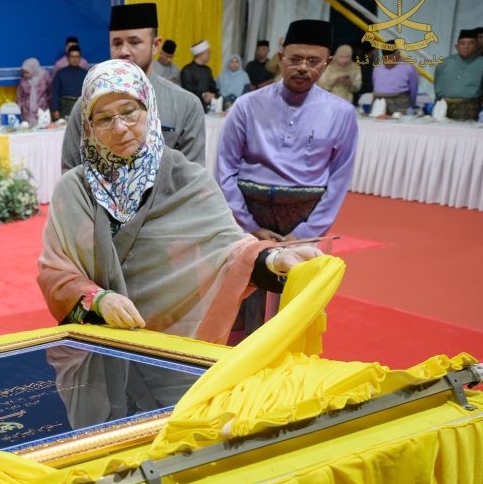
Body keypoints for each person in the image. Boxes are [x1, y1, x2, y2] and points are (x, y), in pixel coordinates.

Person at [38, 59, 322, 343]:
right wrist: (98, 300)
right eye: (103, 118)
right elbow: (55, 274)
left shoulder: (188, 180)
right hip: (99, 346)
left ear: (149, 109)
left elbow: (230, 250)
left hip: (172, 347)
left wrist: (275, 259)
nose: (120, 128)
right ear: (88, 126)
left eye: (129, 112)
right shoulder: (74, 190)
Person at [216, 19, 358, 333]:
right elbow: (225, 169)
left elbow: (338, 180)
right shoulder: (246, 106)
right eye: (294, 59)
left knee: (293, 309)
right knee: (240, 301)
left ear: (328, 64)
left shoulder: (341, 113)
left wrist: (305, 232)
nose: (302, 67)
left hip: (305, 223)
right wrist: (249, 226)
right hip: (249, 217)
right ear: (280, 57)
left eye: (313, 61)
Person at [62, 3, 205, 169]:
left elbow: (192, 180)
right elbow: (71, 172)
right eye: (116, 44)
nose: (124, 51)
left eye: (134, 42)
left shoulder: (185, 105)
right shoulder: (87, 104)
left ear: (156, 45)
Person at [434, 29, 483, 121]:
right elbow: (437, 83)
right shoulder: (444, 63)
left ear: (476, 45)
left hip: (470, 108)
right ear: (456, 46)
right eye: (463, 43)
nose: (466, 47)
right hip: (443, 107)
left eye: (470, 43)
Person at [371, 48, 418, 114]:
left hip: (399, 101)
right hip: (378, 100)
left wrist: (411, 104)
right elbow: (374, 84)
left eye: (390, 57)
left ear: (398, 54)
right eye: (385, 58)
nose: (388, 60)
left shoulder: (408, 67)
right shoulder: (378, 67)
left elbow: (413, 89)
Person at [51, 45, 88, 120]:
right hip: (65, 107)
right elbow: (55, 92)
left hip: (82, 106)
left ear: (80, 58)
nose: (75, 59)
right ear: (68, 58)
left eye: (77, 57)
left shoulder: (86, 74)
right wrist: (55, 110)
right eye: (72, 57)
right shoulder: (60, 74)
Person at [180, 40, 218, 109]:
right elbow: (188, 91)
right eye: (208, 53)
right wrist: (203, 95)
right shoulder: (187, 70)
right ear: (201, 55)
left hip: (209, 107)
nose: (210, 55)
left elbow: (213, 87)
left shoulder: (207, 70)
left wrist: (213, 94)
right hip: (192, 107)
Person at [18, 58, 52, 125]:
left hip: (42, 111)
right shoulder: (23, 81)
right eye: (24, 73)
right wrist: (20, 109)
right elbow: (20, 96)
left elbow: (50, 93)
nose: (25, 75)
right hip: (27, 112)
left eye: (27, 72)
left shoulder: (45, 78)